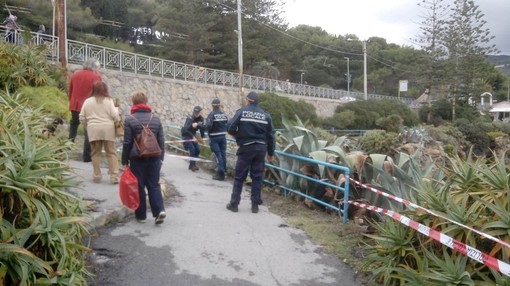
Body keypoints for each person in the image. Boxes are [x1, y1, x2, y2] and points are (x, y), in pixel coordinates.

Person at [121, 90, 166, 225]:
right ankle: (159, 211)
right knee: (154, 184)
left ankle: (141, 216)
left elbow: (127, 142)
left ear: (133, 102)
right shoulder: (156, 119)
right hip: (155, 157)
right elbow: (161, 140)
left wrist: (124, 159)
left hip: (137, 158)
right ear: (146, 102)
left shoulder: (130, 119)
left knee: (139, 185)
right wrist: (161, 157)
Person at [226, 91, 275, 213]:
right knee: (257, 177)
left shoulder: (241, 112)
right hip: (261, 150)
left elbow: (230, 127)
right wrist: (270, 153)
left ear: (248, 100)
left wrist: (236, 135)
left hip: (246, 148)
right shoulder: (266, 115)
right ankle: (255, 206)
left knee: (239, 177)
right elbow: (271, 136)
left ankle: (234, 204)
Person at [79, 82, 120, 184]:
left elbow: (82, 117)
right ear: (105, 89)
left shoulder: (87, 101)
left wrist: (87, 124)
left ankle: (97, 176)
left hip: (93, 129)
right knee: (111, 153)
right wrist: (117, 119)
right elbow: (115, 115)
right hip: (108, 129)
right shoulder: (109, 100)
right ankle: (114, 176)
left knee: (95, 153)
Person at [68, 58, 102, 162]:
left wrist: (71, 100)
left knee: (74, 124)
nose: (98, 69)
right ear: (94, 67)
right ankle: (86, 156)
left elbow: (70, 90)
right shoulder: (96, 77)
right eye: (97, 67)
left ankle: (68, 146)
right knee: (89, 129)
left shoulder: (75, 74)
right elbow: (98, 93)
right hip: (89, 106)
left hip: (75, 104)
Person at [205, 98, 228, 181]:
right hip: (223, 137)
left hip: (214, 137)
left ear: (212, 106)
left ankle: (220, 174)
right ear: (219, 105)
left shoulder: (212, 115)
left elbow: (208, 126)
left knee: (218, 155)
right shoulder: (224, 114)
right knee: (223, 154)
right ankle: (224, 171)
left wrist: (208, 132)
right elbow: (227, 124)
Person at [181, 105, 205, 172]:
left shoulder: (201, 119)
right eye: (195, 113)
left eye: (198, 113)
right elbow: (185, 130)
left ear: (200, 112)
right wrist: (193, 136)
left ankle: (192, 164)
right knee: (192, 149)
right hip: (187, 135)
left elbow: (202, 128)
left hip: (193, 136)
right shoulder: (190, 118)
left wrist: (202, 137)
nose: (196, 115)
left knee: (197, 149)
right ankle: (192, 166)